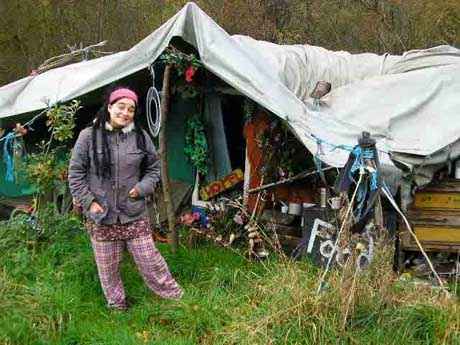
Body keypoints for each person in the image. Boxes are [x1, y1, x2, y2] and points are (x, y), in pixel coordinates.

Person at [68, 86, 182, 310]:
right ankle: (117, 305)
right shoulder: (88, 137)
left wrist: (141, 189)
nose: (125, 112)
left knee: (150, 261)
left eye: (131, 109)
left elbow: (153, 169)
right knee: (108, 268)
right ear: (109, 107)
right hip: (102, 215)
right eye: (121, 106)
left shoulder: (140, 137)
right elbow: (76, 174)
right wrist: (90, 202)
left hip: (134, 213)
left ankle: (174, 297)